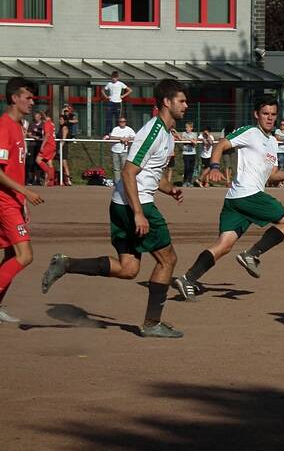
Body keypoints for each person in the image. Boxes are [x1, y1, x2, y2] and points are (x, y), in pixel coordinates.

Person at [41, 79, 188, 338]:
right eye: (182, 101)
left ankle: (65, 264)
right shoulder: (152, 131)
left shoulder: (166, 134)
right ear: (167, 102)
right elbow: (129, 173)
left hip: (124, 204)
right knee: (168, 259)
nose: (186, 105)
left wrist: (169, 188)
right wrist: (139, 213)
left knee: (128, 269)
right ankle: (152, 324)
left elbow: (148, 174)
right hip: (136, 205)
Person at [173, 97, 284, 301]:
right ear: (256, 114)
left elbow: (271, 176)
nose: (270, 118)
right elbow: (221, 144)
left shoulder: (272, 142)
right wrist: (216, 166)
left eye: (273, 114)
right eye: (265, 114)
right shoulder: (250, 132)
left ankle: (188, 278)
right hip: (249, 194)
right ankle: (251, 254)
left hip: (236, 200)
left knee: (224, 245)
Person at [0, 77, 45, 324]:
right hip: (3, 202)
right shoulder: (4, 126)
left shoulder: (19, 126)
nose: (32, 101)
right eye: (27, 97)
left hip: (13, 202)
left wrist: (23, 201)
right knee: (24, 255)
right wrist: (26, 193)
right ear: (14, 98)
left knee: (10, 255)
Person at [108, 116, 136, 183]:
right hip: (115, 150)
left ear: (126, 122)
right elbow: (111, 137)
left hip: (124, 151)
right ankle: (117, 182)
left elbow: (134, 137)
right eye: (121, 122)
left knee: (124, 168)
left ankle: (124, 182)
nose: (122, 123)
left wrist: (127, 139)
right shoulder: (115, 129)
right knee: (116, 168)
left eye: (123, 122)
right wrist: (120, 138)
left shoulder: (129, 129)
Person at [36, 110, 56, 186]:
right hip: (53, 144)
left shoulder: (47, 123)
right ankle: (51, 181)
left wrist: (42, 145)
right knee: (49, 162)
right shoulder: (52, 123)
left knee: (38, 160)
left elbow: (47, 135)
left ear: (45, 115)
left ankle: (49, 174)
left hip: (48, 145)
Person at [26, 111, 44, 185]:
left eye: (37, 117)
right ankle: (31, 179)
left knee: (38, 163)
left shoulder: (43, 124)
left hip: (40, 145)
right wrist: (34, 137)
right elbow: (29, 134)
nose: (36, 118)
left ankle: (38, 179)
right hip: (32, 145)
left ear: (40, 117)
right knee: (31, 163)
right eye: (35, 117)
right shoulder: (32, 124)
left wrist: (39, 133)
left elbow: (45, 134)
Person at [181, 121, 198, 187]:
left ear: (191, 128)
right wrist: (190, 140)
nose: (186, 129)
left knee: (191, 168)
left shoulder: (194, 134)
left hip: (193, 153)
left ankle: (190, 182)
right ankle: (185, 181)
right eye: (186, 127)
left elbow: (195, 143)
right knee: (187, 167)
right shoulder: (184, 133)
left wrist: (192, 140)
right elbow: (183, 140)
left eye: (188, 127)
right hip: (185, 153)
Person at [56, 114, 72, 185]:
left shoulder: (65, 128)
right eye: (60, 119)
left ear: (64, 121)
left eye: (61, 120)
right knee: (61, 163)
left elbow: (64, 138)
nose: (60, 121)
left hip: (63, 146)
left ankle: (68, 179)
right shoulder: (60, 127)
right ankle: (63, 179)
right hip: (60, 146)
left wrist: (60, 148)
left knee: (64, 162)